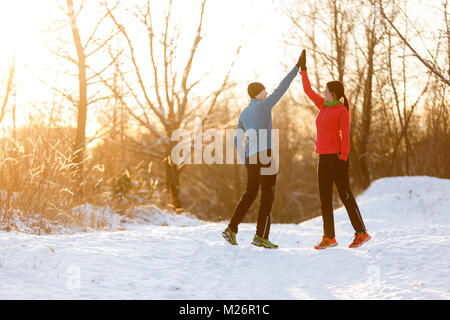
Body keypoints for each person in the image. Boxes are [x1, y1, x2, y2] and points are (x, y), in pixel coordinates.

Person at [222, 52, 303, 249]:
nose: (267, 93)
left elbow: (236, 140)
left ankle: (231, 229)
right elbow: (282, 88)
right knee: (268, 195)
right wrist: (296, 68)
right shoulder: (264, 107)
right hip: (265, 155)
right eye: (264, 91)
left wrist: (245, 160)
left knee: (250, 194)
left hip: (251, 157)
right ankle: (261, 236)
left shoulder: (244, 112)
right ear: (258, 94)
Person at [298, 49, 371, 249]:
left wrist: (344, 156)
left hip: (337, 157)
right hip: (323, 158)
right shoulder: (323, 106)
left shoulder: (341, 110)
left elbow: (345, 136)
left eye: (326, 90)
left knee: (345, 195)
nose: (322, 92)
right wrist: (303, 69)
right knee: (324, 199)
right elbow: (308, 91)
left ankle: (362, 233)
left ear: (334, 93)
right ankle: (329, 237)